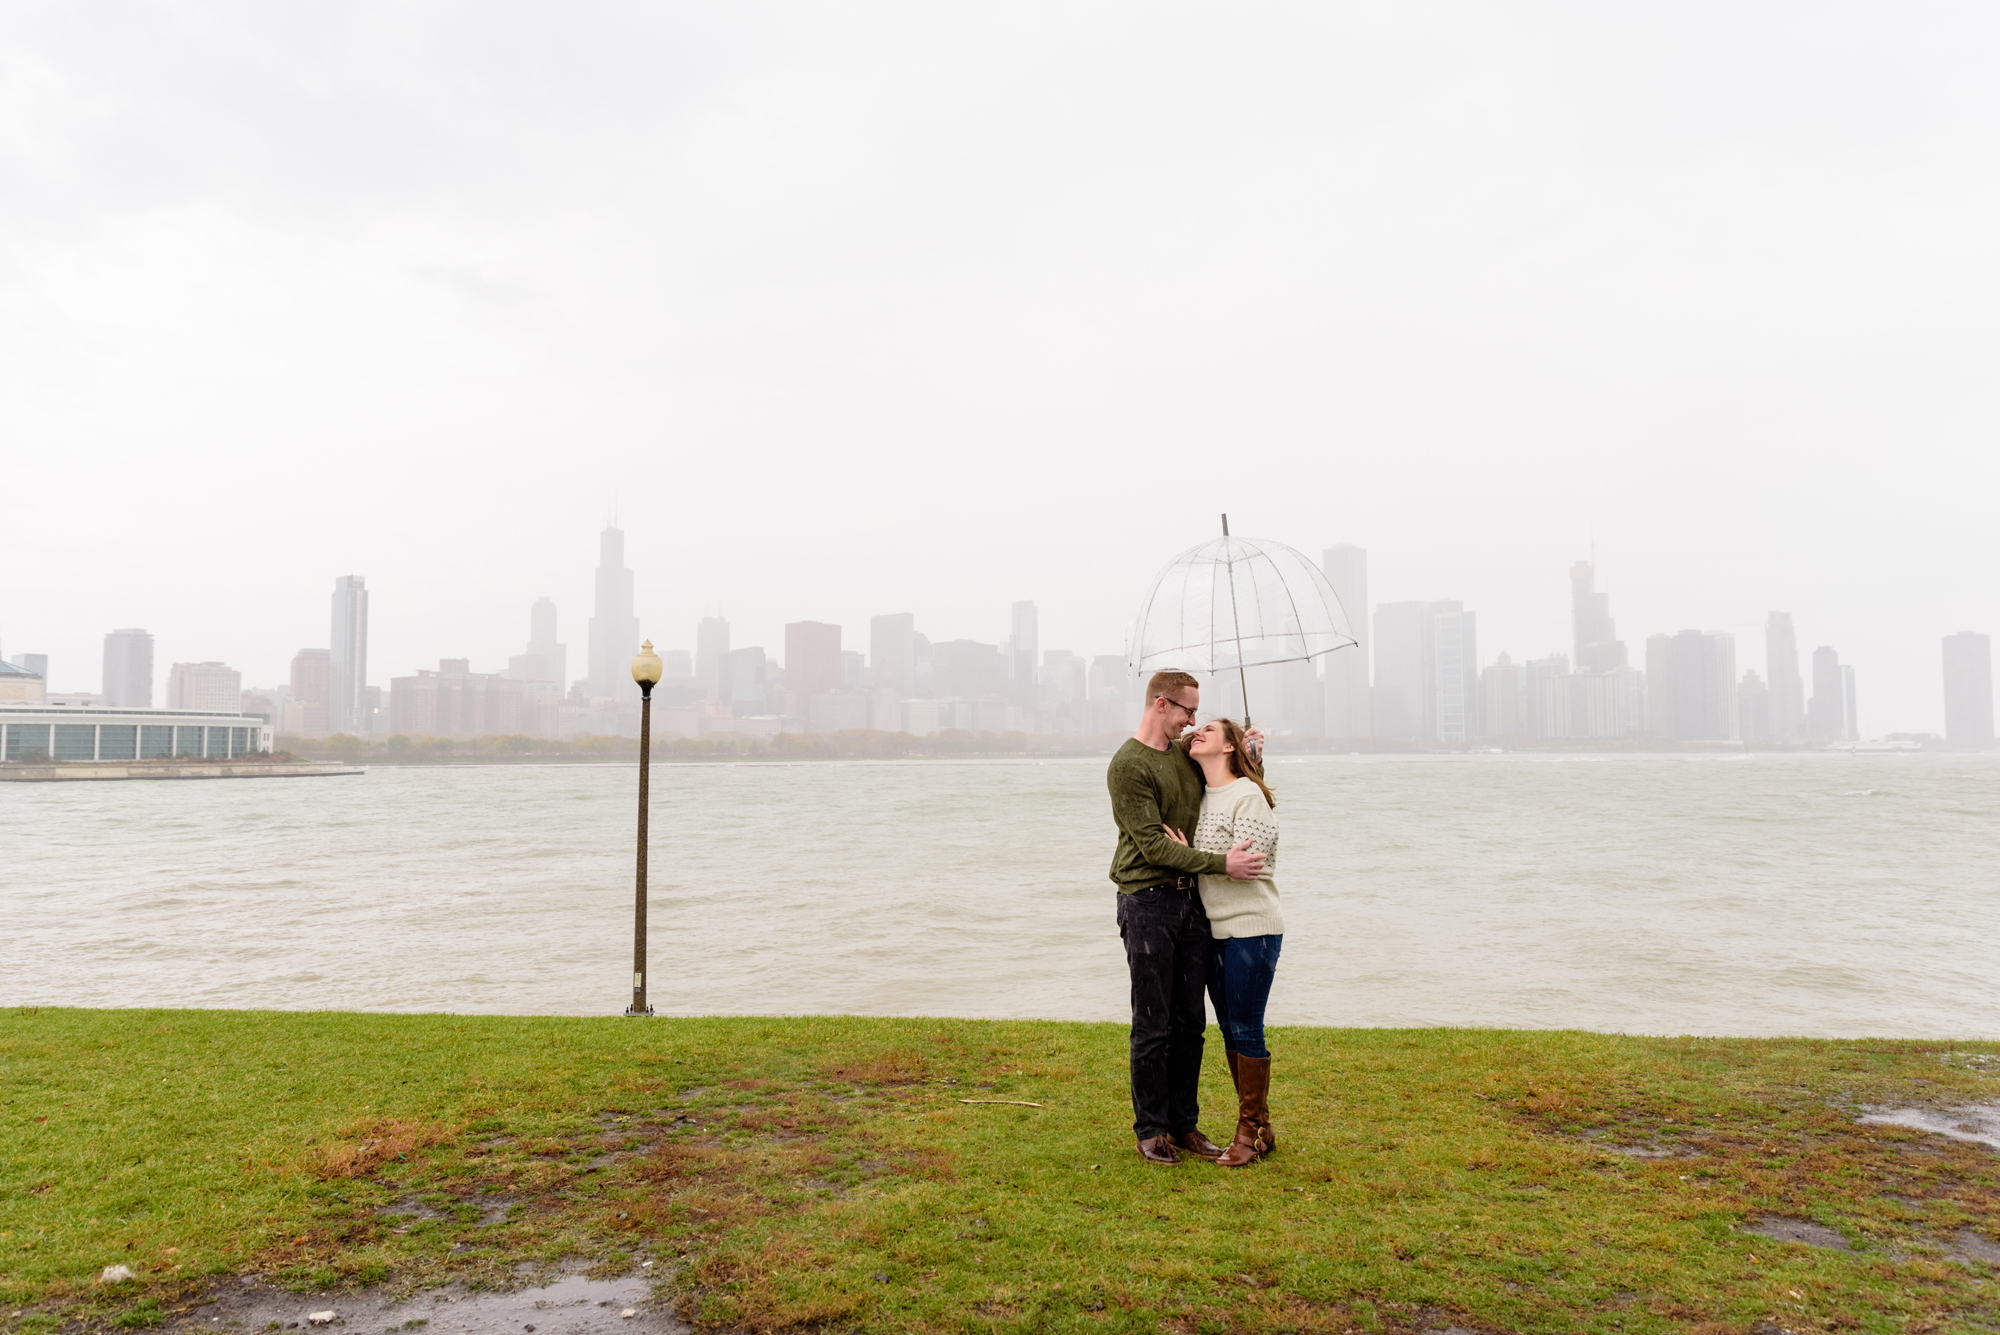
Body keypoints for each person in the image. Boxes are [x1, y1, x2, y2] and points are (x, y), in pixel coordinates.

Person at [1105, 670, 1268, 1165]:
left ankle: (1184, 1126)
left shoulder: (1182, 756)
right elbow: (1152, 845)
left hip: (1190, 900)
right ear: (1160, 704)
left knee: (1190, 1022)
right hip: (1147, 900)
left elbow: (1228, 781)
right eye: (1187, 711)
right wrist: (1223, 864)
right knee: (1152, 1023)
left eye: (1197, 714)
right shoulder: (1127, 765)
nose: (1193, 722)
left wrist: (1250, 752)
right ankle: (1151, 1130)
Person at [1166, 717, 1282, 1167]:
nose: (1199, 732)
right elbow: (1222, 860)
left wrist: (1196, 859)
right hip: (1216, 929)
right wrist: (1201, 858)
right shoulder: (1201, 793)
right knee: (1231, 1030)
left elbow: (1251, 863)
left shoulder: (1247, 795)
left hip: (1253, 927)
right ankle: (1262, 1127)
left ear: (1230, 747)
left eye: (1210, 729)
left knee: (1247, 1028)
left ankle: (1248, 1131)